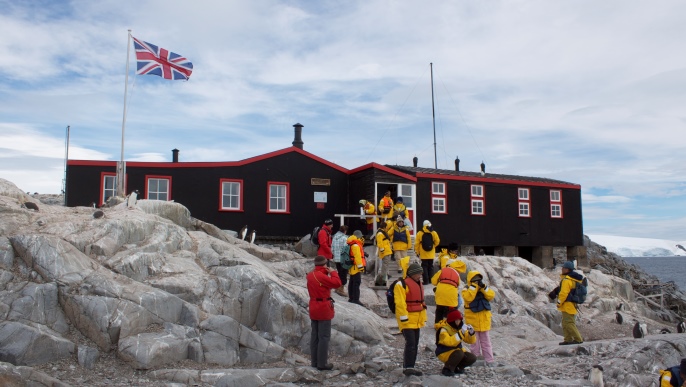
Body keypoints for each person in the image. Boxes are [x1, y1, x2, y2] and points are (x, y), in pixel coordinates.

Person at [306, 255, 342, 371]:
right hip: (323, 308)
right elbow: (337, 283)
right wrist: (333, 272)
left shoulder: (310, 275)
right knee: (324, 337)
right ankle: (322, 364)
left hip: (313, 306)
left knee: (314, 336)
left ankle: (314, 362)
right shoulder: (321, 276)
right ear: (325, 264)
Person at [394, 263, 426, 376]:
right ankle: (408, 367)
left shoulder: (418, 283)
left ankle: (410, 366)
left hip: (417, 319)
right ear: (412, 274)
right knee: (411, 343)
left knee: (415, 343)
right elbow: (400, 303)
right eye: (418, 273)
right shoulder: (401, 285)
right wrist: (403, 318)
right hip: (406, 320)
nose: (420, 276)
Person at [462, 270, 496, 365]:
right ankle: (474, 359)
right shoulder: (466, 289)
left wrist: (483, 288)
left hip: (484, 321)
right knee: (474, 343)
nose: (477, 282)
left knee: (486, 342)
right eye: (475, 280)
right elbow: (468, 298)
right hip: (473, 322)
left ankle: (489, 360)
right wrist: (473, 287)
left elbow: (491, 296)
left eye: (478, 280)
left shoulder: (483, 289)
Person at [435, 310, 477, 377]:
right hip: (444, 351)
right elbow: (449, 342)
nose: (458, 322)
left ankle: (457, 367)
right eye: (456, 320)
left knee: (472, 358)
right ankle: (447, 369)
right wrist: (461, 333)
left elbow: (470, 341)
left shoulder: (460, 327)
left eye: (459, 320)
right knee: (459, 353)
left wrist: (471, 333)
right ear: (452, 320)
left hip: (456, 351)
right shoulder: (444, 329)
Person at [557, 261, 584, 345]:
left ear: (567, 269)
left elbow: (563, 293)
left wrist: (559, 302)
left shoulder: (566, 280)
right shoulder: (574, 279)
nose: (562, 269)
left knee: (569, 323)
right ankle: (567, 339)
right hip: (572, 303)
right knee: (565, 323)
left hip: (567, 304)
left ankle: (578, 339)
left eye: (563, 268)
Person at [431, 259, 465, 324]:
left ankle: (438, 325)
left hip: (440, 294)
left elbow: (433, 281)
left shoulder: (442, 270)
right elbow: (458, 284)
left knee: (439, 310)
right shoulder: (457, 273)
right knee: (450, 311)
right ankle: (448, 325)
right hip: (451, 295)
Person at [346, 230, 367, 307]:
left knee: (352, 282)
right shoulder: (356, 245)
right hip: (356, 267)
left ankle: (351, 298)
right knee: (356, 283)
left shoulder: (351, 243)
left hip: (352, 266)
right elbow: (357, 257)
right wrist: (361, 267)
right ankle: (355, 299)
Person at [331, 225, 349, 297]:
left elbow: (332, 248)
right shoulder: (345, 238)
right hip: (343, 259)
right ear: (345, 231)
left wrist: (335, 254)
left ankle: (337, 286)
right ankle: (340, 289)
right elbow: (346, 249)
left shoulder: (335, 237)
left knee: (339, 272)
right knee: (343, 274)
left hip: (336, 258)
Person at [375, 220, 393, 286]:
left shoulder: (383, 232)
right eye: (386, 227)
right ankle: (382, 279)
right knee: (384, 265)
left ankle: (385, 276)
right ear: (384, 227)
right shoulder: (380, 233)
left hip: (387, 251)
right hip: (385, 252)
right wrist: (382, 250)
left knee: (386, 265)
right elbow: (380, 243)